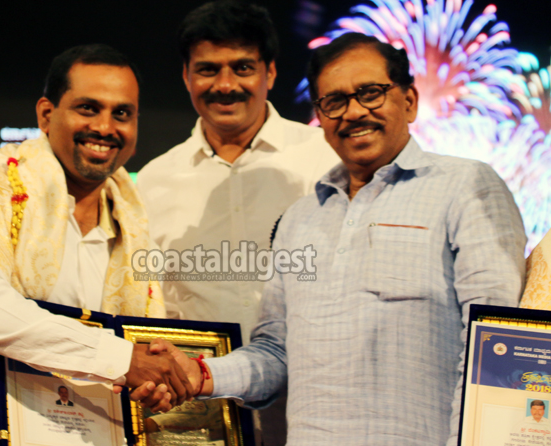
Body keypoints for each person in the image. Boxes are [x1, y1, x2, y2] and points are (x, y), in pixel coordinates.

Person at [136, 32, 527, 446]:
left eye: (371, 93)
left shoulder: (467, 186)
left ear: (409, 101)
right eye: (334, 101)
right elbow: (275, 353)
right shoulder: (300, 219)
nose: (353, 112)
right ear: (320, 117)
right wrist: (201, 374)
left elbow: (498, 343)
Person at [0, 44, 192, 446]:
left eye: (122, 113)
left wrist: (153, 381)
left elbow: (138, 341)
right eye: (88, 108)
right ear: (46, 114)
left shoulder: (133, 218)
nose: (105, 127)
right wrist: (123, 359)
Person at [136, 3, 338, 443]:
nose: (225, 85)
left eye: (242, 67)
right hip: (202, 420)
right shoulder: (152, 182)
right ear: (187, 76)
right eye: (208, 70)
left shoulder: (327, 159)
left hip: (316, 413)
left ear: (270, 72)